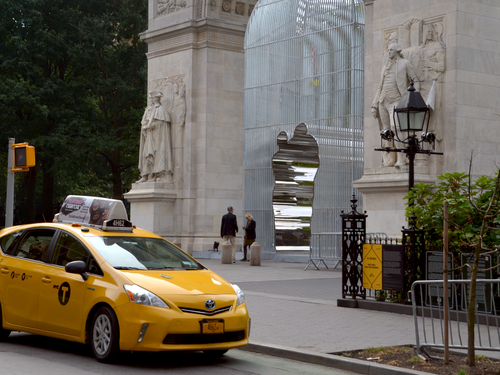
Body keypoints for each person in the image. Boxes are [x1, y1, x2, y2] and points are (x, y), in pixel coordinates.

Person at [371, 43, 419, 167]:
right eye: (388, 50)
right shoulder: (385, 66)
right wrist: (374, 104)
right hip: (383, 101)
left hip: (397, 100)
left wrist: (413, 99)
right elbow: (380, 87)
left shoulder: (405, 63)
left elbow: (415, 80)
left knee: (396, 127)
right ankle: (390, 159)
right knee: (386, 130)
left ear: (397, 51)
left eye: (391, 50)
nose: (389, 52)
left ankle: (401, 159)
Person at [138, 90, 173, 183]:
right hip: (148, 136)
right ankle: (146, 175)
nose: (151, 100)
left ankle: (155, 174)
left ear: (155, 99)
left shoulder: (161, 110)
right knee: (146, 154)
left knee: (154, 154)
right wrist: (145, 126)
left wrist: (151, 126)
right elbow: (144, 121)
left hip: (157, 138)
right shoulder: (148, 109)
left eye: (152, 98)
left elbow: (160, 124)